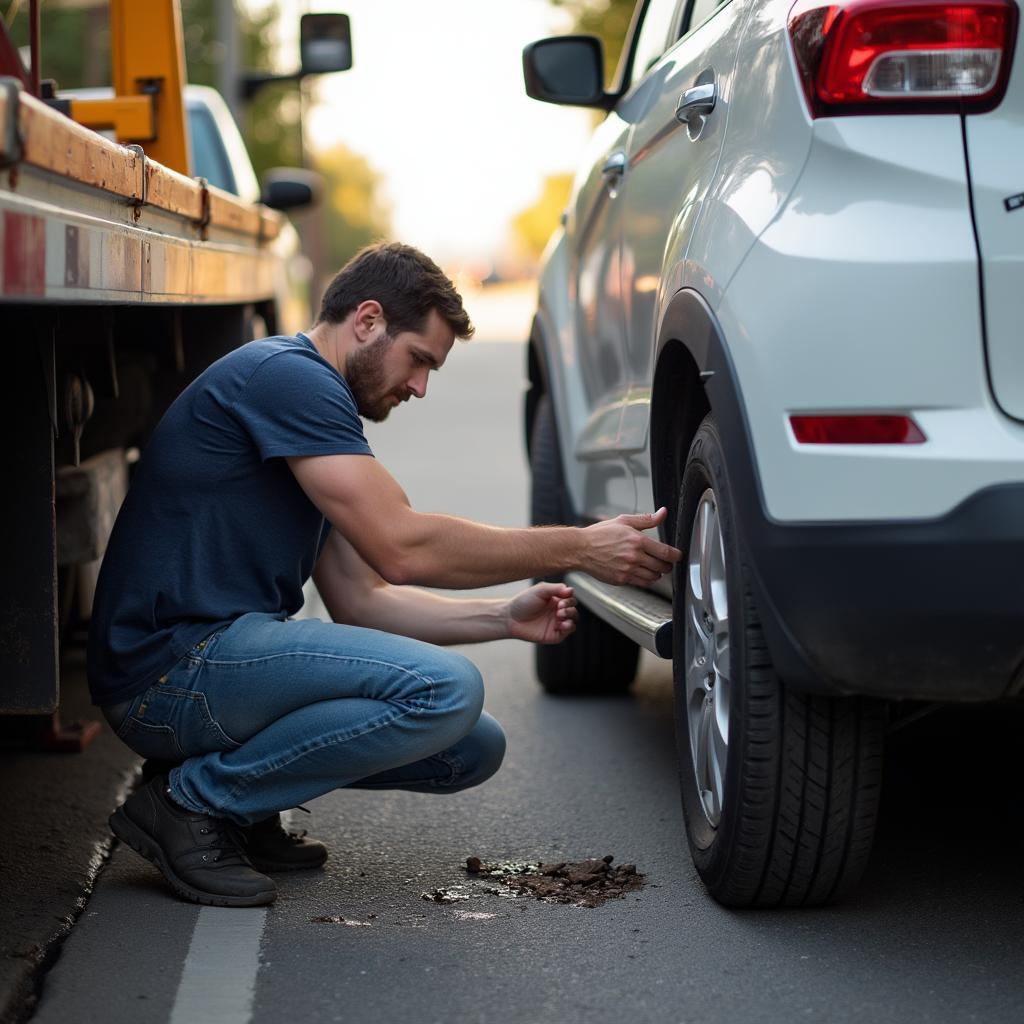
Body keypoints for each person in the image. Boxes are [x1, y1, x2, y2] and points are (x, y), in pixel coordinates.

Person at [88, 242, 681, 908]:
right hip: (166, 673)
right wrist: (577, 545)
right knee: (446, 691)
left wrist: (502, 617)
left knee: (470, 744)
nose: (420, 387)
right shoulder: (289, 378)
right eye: (420, 360)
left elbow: (361, 597)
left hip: (211, 664)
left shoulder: (310, 406)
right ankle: (192, 804)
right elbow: (402, 546)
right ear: (367, 321)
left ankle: (241, 808)